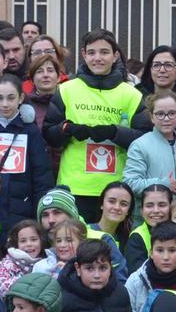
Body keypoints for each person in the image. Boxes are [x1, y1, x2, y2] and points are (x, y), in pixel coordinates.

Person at [44, 29, 142, 222]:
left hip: (115, 190)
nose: (98, 58)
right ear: (83, 54)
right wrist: (67, 129)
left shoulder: (132, 94)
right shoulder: (66, 89)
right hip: (74, 186)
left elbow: (143, 138)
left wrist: (115, 133)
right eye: (92, 52)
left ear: (115, 56)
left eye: (104, 52)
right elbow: (49, 133)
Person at [0, 74, 52, 233]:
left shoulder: (30, 131)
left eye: (11, 98)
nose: (5, 104)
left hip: (23, 210)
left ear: (21, 98)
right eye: (0, 98)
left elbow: (41, 175)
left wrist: (40, 211)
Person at [123, 89, 176, 200]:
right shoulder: (140, 145)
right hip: (153, 212)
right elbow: (130, 183)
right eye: (160, 114)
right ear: (151, 117)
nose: (166, 119)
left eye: (171, 113)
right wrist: (162, 184)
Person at [124, 222, 176, 312]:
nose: (166, 257)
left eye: (172, 250)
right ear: (151, 253)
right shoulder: (135, 281)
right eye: (160, 250)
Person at [122, 184, 171, 273]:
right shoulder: (136, 237)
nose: (156, 210)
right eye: (149, 205)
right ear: (141, 211)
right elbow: (137, 275)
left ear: (171, 207)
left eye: (162, 205)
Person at [0, 219, 49, 293]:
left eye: (34, 239)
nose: (29, 244)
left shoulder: (47, 262)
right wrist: (26, 285)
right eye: (23, 241)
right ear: (16, 244)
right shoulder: (8, 263)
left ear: (41, 241)